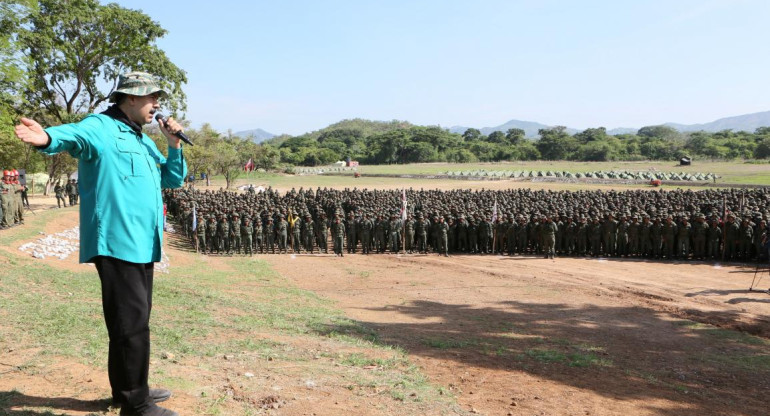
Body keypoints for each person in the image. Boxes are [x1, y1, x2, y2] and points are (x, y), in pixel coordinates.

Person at [14, 71, 186, 416]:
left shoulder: (141, 139)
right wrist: (47, 136)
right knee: (131, 324)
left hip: (141, 241)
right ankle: (136, 404)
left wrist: (173, 145)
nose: (156, 105)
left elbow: (172, 178)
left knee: (131, 322)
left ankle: (129, 389)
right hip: (117, 241)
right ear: (131, 98)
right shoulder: (102, 127)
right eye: (152, 98)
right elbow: (74, 135)